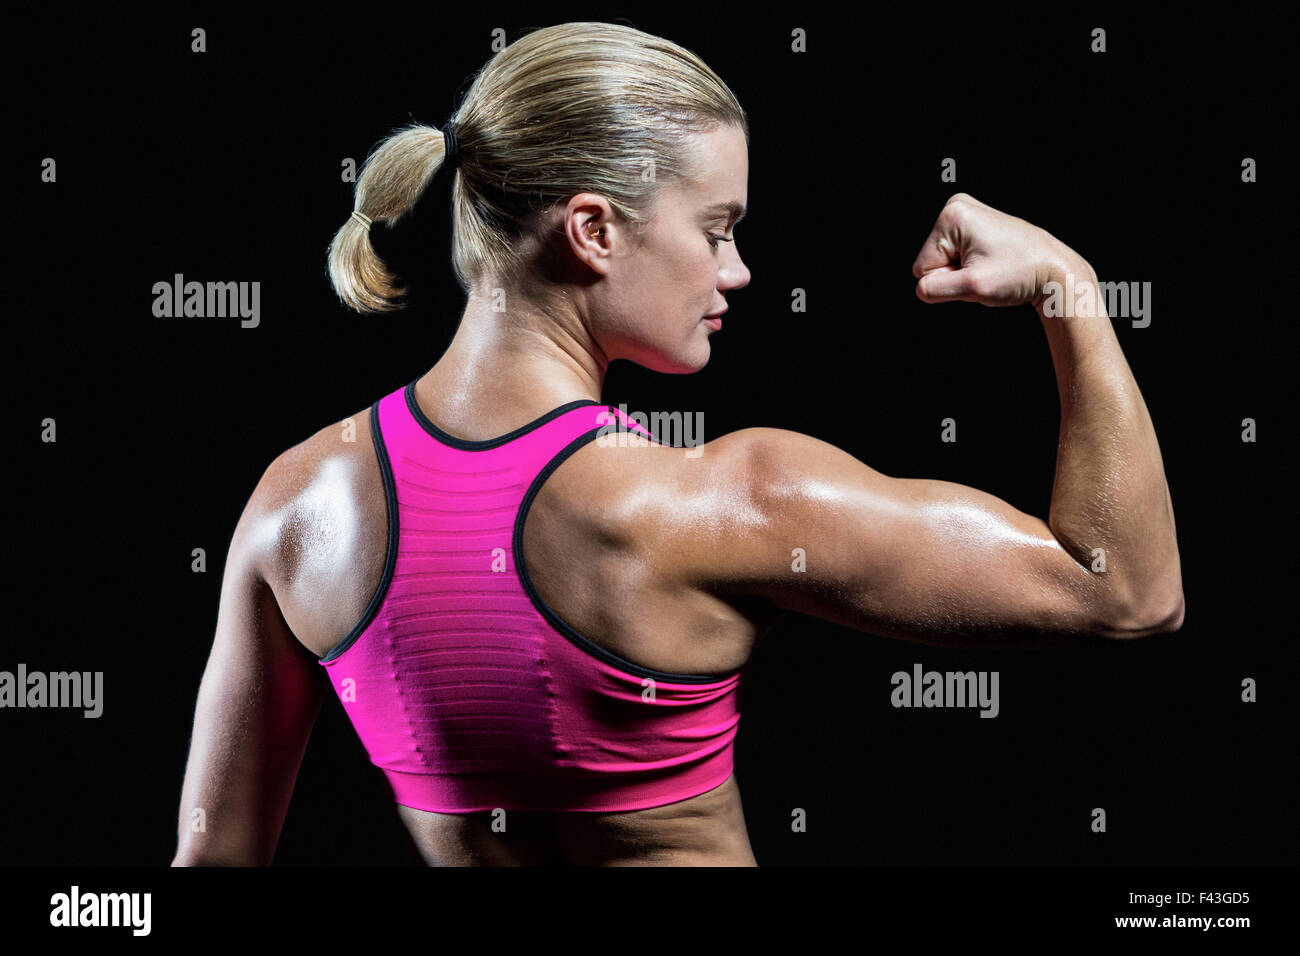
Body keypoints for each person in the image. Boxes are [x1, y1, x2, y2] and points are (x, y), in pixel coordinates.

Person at [171, 21, 1183, 867]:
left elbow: (211, 862)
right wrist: (1067, 286)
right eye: (716, 228)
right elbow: (1123, 588)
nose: (736, 269)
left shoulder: (295, 504)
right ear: (594, 229)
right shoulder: (729, 500)